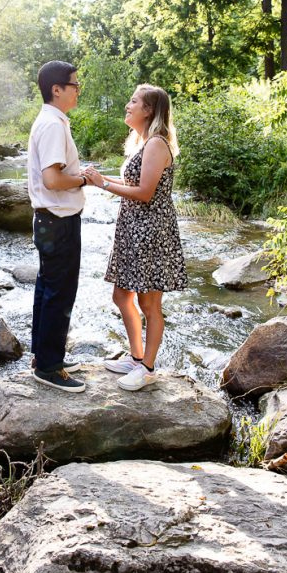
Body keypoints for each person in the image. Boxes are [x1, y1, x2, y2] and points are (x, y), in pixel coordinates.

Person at [84, 84, 187, 391]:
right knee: (121, 295)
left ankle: (148, 368)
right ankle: (135, 356)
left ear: (149, 111)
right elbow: (133, 182)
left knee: (150, 303)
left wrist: (103, 185)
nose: (127, 106)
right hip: (133, 229)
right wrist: (97, 180)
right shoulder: (143, 143)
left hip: (151, 231)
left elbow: (144, 193)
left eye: (133, 102)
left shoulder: (156, 143)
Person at [27, 60, 87, 393]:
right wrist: (83, 180)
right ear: (57, 89)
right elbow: (52, 179)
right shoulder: (52, 124)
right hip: (59, 221)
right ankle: (49, 367)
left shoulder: (52, 121)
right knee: (59, 293)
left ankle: (46, 356)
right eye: (74, 85)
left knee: (48, 289)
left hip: (51, 220)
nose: (78, 90)